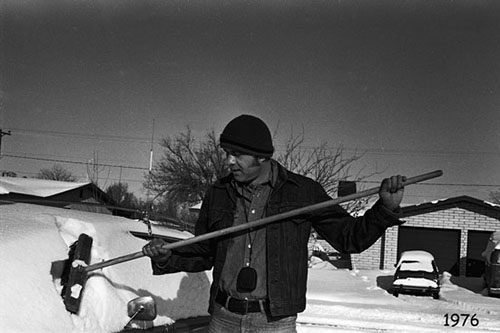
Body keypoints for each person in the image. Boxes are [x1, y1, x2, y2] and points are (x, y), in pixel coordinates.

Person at [142, 114, 406, 332]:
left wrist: (384, 208)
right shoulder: (218, 193)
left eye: (236, 154)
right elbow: (204, 253)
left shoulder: (302, 193)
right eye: (226, 153)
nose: (228, 161)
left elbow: (350, 238)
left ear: (261, 156)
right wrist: (167, 256)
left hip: (274, 322)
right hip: (223, 318)